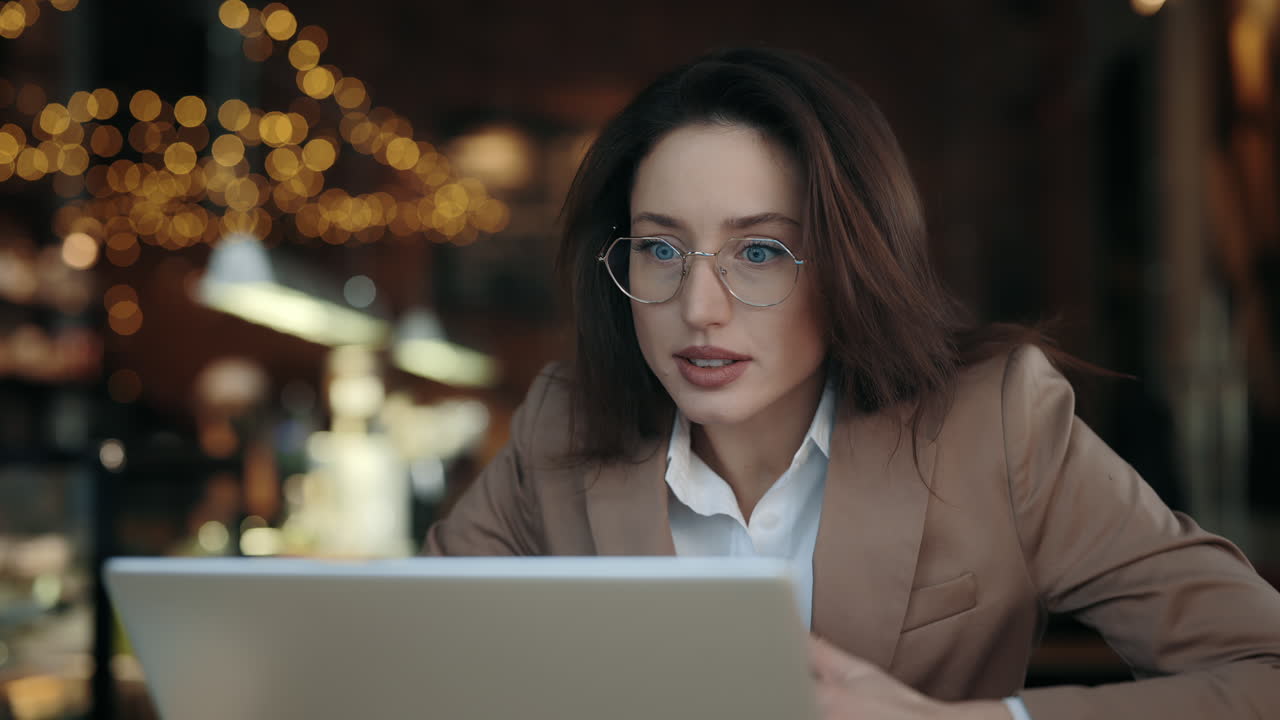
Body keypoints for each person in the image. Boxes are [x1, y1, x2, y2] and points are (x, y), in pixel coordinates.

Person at [423, 47, 1280, 719]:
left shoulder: (997, 422)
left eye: (759, 251)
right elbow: (408, 670)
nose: (699, 308)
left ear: (851, 261)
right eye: (660, 248)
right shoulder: (561, 426)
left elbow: (1262, 668)